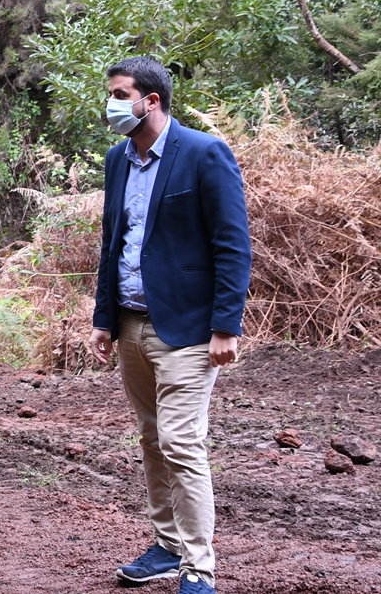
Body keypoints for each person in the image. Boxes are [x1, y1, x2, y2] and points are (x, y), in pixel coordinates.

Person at [89, 57, 251, 594]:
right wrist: (104, 318)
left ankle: (199, 568)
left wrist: (226, 326)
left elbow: (232, 245)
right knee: (152, 438)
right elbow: (114, 243)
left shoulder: (204, 154)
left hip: (187, 329)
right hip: (132, 324)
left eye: (118, 94)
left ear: (150, 100)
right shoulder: (118, 160)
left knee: (182, 441)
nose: (110, 104)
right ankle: (166, 545)